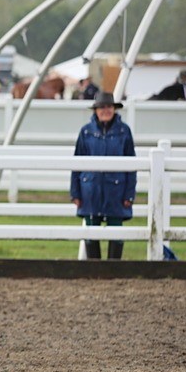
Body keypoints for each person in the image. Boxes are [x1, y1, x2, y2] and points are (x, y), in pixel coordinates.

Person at [70, 92, 136, 260]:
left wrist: (129, 193)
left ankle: (114, 268)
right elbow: (76, 162)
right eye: (102, 107)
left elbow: (132, 164)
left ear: (114, 109)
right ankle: (95, 268)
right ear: (96, 110)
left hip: (116, 189)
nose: (105, 110)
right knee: (91, 230)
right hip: (90, 188)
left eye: (109, 107)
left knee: (116, 229)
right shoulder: (86, 132)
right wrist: (75, 193)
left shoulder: (124, 131)